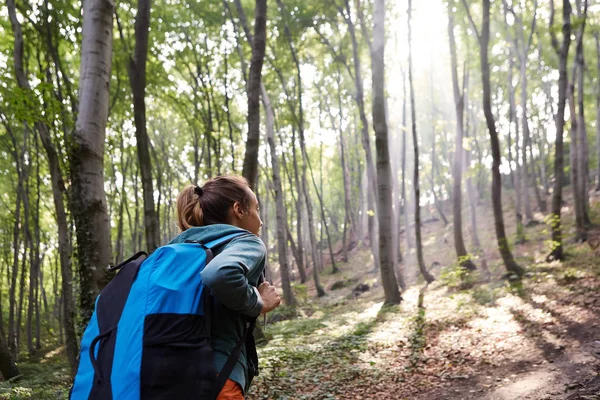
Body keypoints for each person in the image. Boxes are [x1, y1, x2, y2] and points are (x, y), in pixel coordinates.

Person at [172, 175, 281, 399]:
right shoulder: (247, 241)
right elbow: (219, 274)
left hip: (167, 375)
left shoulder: (180, 248)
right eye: (256, 209)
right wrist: (258, 302)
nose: (260, 221)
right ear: (239, 209)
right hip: (218, 376)